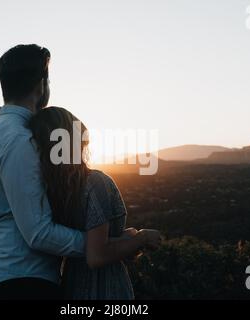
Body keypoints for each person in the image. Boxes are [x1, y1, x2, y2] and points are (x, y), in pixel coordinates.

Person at [0, 44, 159, 299]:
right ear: (41, 85)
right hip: (20, 278)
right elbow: (38, 233)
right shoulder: (19, 139)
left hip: (8, 275)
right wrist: (109, 244)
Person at [29, 106, 161, 299]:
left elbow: (88, 241)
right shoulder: (94, 184)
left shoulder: (47, 191)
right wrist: (141, 238)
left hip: (71, 286)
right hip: (105, 289)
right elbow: (97, 256)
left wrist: (124, 239)